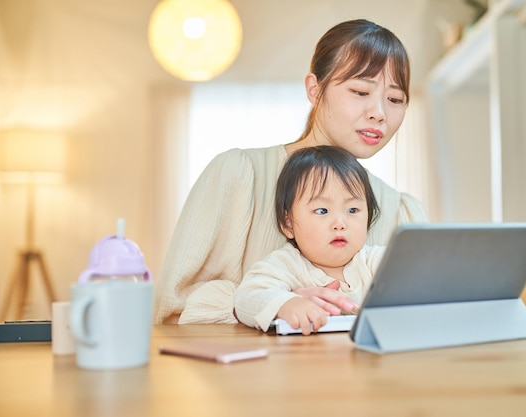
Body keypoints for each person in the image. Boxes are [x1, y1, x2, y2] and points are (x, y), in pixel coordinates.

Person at [153, 19, 428, 325]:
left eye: (394, 99)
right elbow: (172, 311)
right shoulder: (239, 175)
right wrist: (276, 302)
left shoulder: (399, 209)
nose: (379, 113)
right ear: (315, 89)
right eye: (361, 91)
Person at [235, 146, 386, 335]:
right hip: (306, 359)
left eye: (352, 210)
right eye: (322, 211)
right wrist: (286, 303)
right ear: (288, 223)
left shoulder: (376, 262)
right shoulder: (286, 265)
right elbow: (246, 298)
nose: (340, 224)